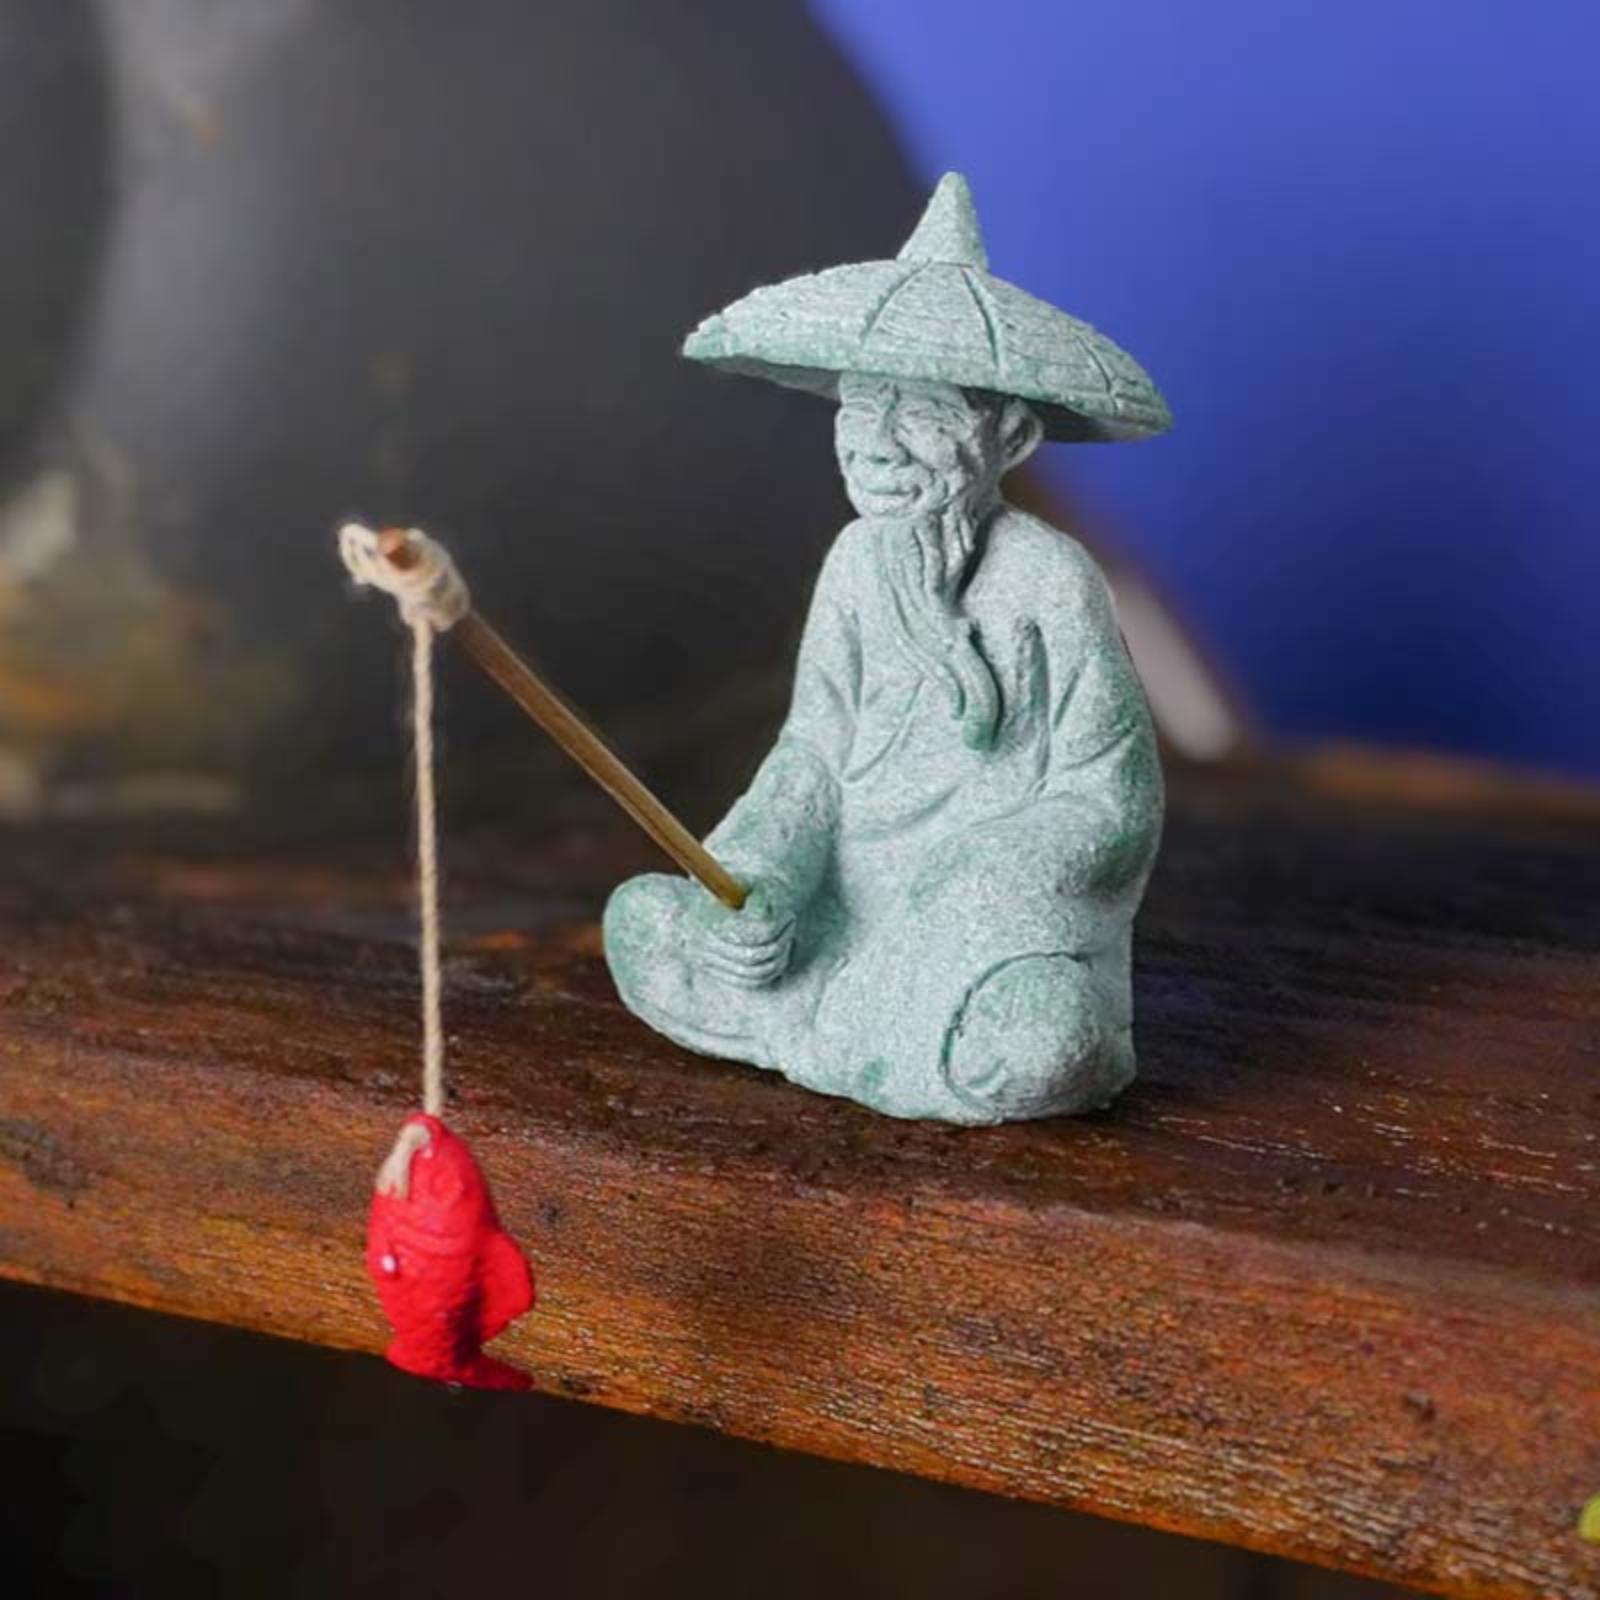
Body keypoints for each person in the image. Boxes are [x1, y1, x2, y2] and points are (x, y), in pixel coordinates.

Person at [605, 174, 1168, 1124]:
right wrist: (764, 883)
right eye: (861, 407)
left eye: (922, 412)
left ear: (1009, 437)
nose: (876, 444)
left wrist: (973, 877)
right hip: (842, 905)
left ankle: (862, 1021)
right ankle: (838, 1012)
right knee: (644, 923)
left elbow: (1112, 800)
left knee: (1048, 1039)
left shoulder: (1049, 578)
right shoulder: (856, 563)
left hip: (977, 931)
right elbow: (813, 755)